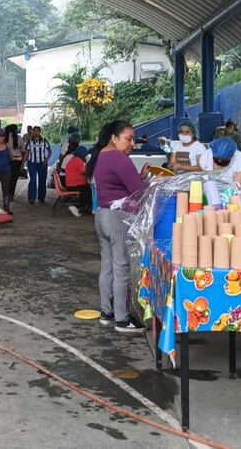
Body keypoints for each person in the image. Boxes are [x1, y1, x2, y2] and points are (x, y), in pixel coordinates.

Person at [89, 120, 147, 333]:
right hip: (118, 217)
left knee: (107, 265)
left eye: (133, 139)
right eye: (128, 139)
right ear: (114, 138)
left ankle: (107, 312)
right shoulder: (119, 159)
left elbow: (117, 184)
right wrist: (149, 183)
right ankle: (122, 319)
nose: (132, 143)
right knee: (121, 267)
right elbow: (138, 191)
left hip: (102, 215)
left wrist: (139, 177)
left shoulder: (100, 155)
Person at [25, 127, 52, 205]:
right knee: (32, 180)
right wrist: (24, 163)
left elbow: (49, 151)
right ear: (32, 132)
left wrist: (46, 159)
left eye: (37, 131)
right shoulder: (30, 141)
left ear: (40, 132)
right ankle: (31, 198)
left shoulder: (44, 140)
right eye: (34, 131)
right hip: (32, 163)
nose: (36, 132)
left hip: (42, 163)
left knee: (42, 180)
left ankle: (41, 197)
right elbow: (27, 153)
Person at [4, 124, 24, 203]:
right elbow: (23, 150)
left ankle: (6, 194)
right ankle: (11, 194)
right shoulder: (19, 138)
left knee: (6, 178)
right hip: (16, 160)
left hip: (6, 160)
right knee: (13, 178)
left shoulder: (4, 139)